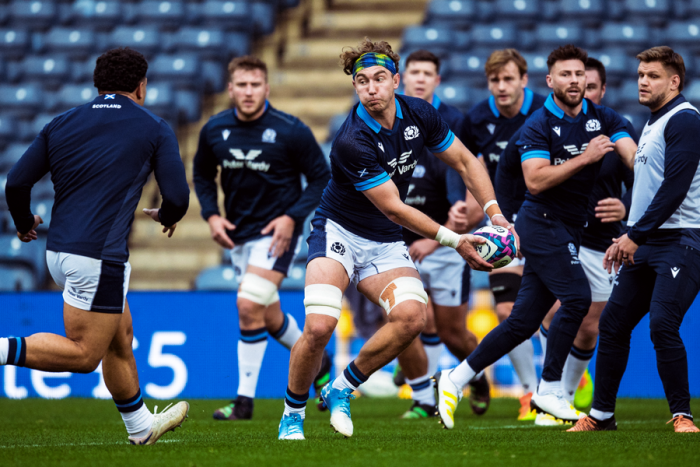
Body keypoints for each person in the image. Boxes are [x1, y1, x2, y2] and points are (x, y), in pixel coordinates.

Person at [277, 38, 515, 440]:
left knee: (411, 319)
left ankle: (342, 387)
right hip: (339, 232)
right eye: (362, 81)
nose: (371, 88)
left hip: (383, 240)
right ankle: (292, 414)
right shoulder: (353, 139)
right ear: (355, 87)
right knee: (319, 327)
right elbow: (394, 208)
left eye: (379, 78)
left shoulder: (419, 113)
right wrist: (456, 240)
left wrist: (495, 216)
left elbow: (465, 161)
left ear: (396, 81)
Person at [436, 44, 637, 429]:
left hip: (568, 228)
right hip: (540, 222)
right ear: (550, 81)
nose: (574, 81)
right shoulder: (539, 124)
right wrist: (585, 157)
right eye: (565, 75)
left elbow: (632, 156)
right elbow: (535, 179)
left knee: (522, 321)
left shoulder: (604, 117)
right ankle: (549, 389)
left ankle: (456, 378)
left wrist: (644, 172)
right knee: (577, 297)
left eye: (579, 74)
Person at [2, 48, 190, 445]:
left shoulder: (61, 122)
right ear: (141, 86)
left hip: (57, 251)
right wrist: (167, 216)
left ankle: (140, 429)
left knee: (120, 334)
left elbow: (16, 184)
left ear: (96, 84)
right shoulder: (154, 127)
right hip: (99, 258)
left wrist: (24, 224)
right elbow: (177, 196)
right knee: (86, 354)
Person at [193, 55, 332, 421]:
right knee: (268, 318)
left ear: (267, 88)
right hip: (238, 237)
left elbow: (321, 178)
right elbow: (203, 177)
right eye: (242, 85)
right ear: (230, 88)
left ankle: (244, 403)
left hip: (276, 237)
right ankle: (322, 361)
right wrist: (211, 215)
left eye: (256, 85)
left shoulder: (291, 130)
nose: (249, 91)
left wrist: (291, 217)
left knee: (247, 306)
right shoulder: (214, 129)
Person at [569, 47, 700, 433]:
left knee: (662, 323)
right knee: (612, 325)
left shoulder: (685, 120)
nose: (643, 81)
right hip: (646, 242)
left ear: (674, 81)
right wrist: (630, 234)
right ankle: (601, 415)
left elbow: (675, 188)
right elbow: (648, 192)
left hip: (682, 240)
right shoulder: (653, 123)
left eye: (653, 76)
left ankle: (682, 415)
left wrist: (634, 235)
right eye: (641, 74)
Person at [538, 57, 635, 419]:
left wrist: (626, 208)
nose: (583, 90)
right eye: (577, 82)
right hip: (560, 231)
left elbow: (640, 174)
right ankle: (547, 392)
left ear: (602, 90)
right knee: (549, 310)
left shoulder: (614, 125)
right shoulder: (551, 127)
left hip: (602, 241)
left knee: (589, 326)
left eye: (591, 85)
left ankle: (565, 391)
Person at [395, 49, 490, 419]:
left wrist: (455, 223)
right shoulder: (388, 116)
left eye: (427, 73)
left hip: (447, 239)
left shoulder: (453, 121)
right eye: (414, 72)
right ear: (402, 79)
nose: (420, 78)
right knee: (407, 319)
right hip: (399, 241)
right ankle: (425, 398)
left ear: (437, 80)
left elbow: (467, 172)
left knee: (453, 332)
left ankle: (476, 374)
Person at [461, 49, 547, 421]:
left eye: (508, 79)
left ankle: (568, 379)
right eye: (494, 80)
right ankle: (531, 393)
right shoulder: (478, 118)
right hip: (504, 225)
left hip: (548, 222)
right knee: (507, 310)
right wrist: (462, 205)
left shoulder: (546, 112)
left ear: (523, 81)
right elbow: (463, 164)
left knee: (554, 315)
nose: (501, 86)